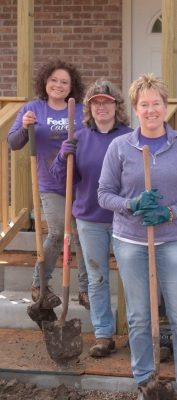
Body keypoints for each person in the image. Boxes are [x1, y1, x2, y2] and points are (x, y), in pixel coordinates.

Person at [98, 73, 177, 399]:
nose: (150, 110)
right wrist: (131, 204)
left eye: (156, 103)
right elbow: (103, 194)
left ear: (165, 106)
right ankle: (146, 380)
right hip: (131, 241)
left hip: (171, 239)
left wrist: (170, 212)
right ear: (135, 108)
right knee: (140, 316)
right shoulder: (120, 147)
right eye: (143, 104)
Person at [49, 79, 132, 357]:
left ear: (116, 105)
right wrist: (62, 157)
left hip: (125, 219)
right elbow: (62, 181)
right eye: (96, 102)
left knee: (132, 278)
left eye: (106, 102)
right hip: (90, 219)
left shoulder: (129, 137)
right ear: (90, 107)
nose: (101, 107)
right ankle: (103, 335)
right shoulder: (79, 138)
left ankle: (137, 333)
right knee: (96, 279)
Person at [7, 59, 90, 311]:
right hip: (49, 182)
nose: (58, 85)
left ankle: (86, 290)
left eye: (64, 82)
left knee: (83, 235)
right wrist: (24, 126)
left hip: (80, 181)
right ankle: (39, 284)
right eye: (54, 80)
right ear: (45, 82)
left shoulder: (80, 110)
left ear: (71, 86)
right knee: (57, 232)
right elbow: (13, 142)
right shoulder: (34, 108)